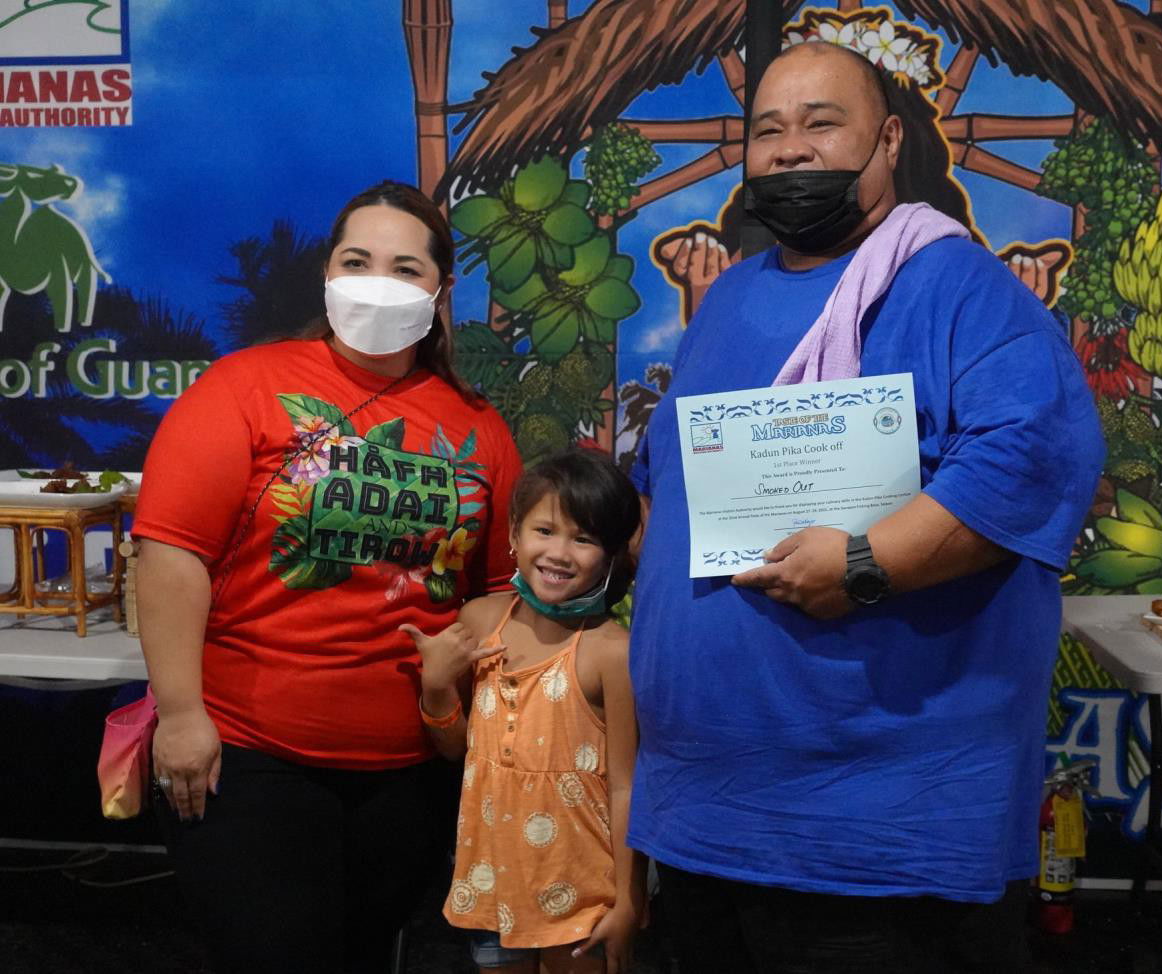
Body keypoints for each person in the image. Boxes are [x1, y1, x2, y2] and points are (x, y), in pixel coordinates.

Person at [627, 41, 1105, 974]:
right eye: (768, 130)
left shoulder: (956, 284)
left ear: (887, 141)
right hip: (704, 810)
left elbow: (1032, 453)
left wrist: (864, 564)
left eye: (820, 123)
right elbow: (674, 488)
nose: (789, 149)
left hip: (873, 830)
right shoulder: (729, 298)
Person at [132, 181, 523, 974]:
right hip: (249, 757)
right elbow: (171, 551)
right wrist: (179, 714)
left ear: (441, 290)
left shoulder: (478, 425)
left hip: (409, 770)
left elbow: (499, 586)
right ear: (326, 273)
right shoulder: (242, 387)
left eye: (405, 268)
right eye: (357, 260)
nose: (378, 282)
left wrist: (462, 665)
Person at [402, 448, 646, 974]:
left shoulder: (613, 652)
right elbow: (459, 750)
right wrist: (438, 686)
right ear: (514, 533)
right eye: (545, 530)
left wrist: (629, 902)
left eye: (584, 539)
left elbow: (627, 786)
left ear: (611, 554)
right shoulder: (478, 620)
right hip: (492, 885)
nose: (560, 553)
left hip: (587, 896)